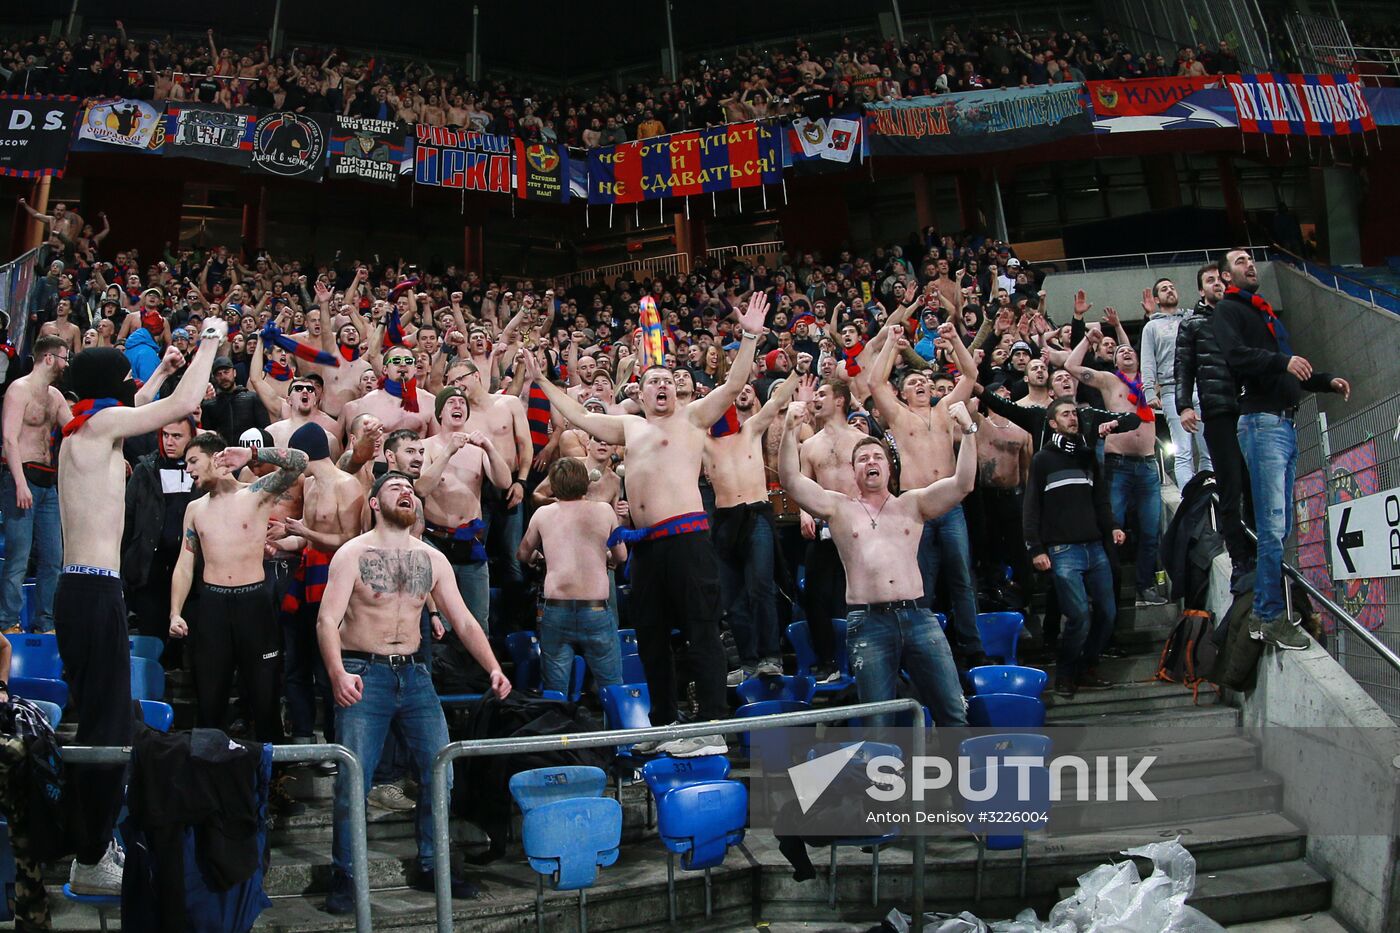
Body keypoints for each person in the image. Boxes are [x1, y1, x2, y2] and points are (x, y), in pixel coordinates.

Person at [520, 292, 770, 756]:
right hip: (646, 547)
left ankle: (713, 725)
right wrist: (542, 382)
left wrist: (750, 337)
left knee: (701, 632)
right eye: (652, 381)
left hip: (689, 539)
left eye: (668, 381)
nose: (661, 387)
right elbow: (579, 415)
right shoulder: (629, 427)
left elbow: (734, 385)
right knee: (652, 637)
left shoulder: (694, 418)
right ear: (638, 390)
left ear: (678, 389)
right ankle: (664, 724)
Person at [56, 320, 226, 894]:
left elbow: (143, 400)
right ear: (108, 385)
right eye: (126, 376)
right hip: (94, 590)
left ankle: (94, 842)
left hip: (79, 591)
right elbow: (179, 404)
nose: (133, 385)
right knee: (107, 728)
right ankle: (91, 855)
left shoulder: (82, 428)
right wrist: (209, 341)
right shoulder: (101, 426)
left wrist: (157, 368)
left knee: (110, 719)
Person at [317, 471, 510, 913]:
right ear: (373, 503)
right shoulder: (352, 554)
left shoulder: (432, 558)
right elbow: (327, 621)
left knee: (439, 771)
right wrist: (336, 674)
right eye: (394, 488)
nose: (405, 492)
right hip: (363, 671)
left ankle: (431, 864)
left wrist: (494, 667)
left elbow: (462, 621)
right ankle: (345, 875)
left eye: (409, 488)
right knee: (355, 779)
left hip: (416, 674)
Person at [778, 398, 976, 727]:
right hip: (868, 623)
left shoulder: (913, 504)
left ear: (888, 467)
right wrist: (788, 431)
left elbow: (963, 484)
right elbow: (792, 482)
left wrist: (968, 431)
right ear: (853, 471)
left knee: (953, 713)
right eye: (863, 458)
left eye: (877, 456)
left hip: (918, 617)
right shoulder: (839, 508)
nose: (871, 461)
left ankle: (956, 779)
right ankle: (883, 779)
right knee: (877, 725)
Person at [1213, 248, 1350, 650]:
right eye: (1239, 261)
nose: (1250, 264)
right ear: (1225, 277)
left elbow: (1291, 371)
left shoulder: (1265, 313)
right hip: (1261, 423)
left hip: (1284, 424)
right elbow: (1237, 357)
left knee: (1282, 528)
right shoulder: (1229, 311)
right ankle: (1268, 615)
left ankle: (1266, 612)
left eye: (1251, 259)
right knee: (1273, 527)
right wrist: (1282, 362)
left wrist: (1325, 381)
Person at [169, 433, 307, 740]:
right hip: (212, 606)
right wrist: (175, 612)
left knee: (265, 697)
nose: (189, 470)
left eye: (193, 461)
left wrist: (252, 455)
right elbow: (185, 563)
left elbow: (300, 461)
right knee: (209, 700)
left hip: (254, 604)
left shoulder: (256, 493)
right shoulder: (195, 509)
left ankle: (272, 781)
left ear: (216, 457)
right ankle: (209, 779)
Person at [869, 323, 990, 665]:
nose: (920, 384)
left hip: (951, 504)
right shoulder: (896, 414)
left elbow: (970, 371)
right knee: (921, 581)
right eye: (913, 383)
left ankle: (972, 645)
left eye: (923, 381)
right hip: (915, 508)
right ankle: (926, 647)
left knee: (963, 578)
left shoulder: (945, 409)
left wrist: (953, 340)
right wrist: (891, 343)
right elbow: (875, 383)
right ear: (903, 393)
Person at [704, 373, 804, 683]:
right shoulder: (704, 441)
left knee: (761, 588)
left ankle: (770, 657)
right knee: (732, 598)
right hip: (724, 519)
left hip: (757, 513)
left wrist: (797, 375)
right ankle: (748, 661)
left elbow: (775, 402)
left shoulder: (749, 430)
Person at [1023, 399, 1125, 698]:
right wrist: (1035, 548)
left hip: (1095, 547)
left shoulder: (1087, 457)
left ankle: (1087, 666)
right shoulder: (1042, 459)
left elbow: (1101, 501)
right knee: (1079, 615)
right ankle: (1066, 673)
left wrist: (1113, 526)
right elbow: (1031, 508)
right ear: (1053, 423)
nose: (1073, 418)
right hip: (1063, 550)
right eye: (1066, 414)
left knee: (1107, 613)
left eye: (1075, 413)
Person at [1064, 327, 1167, 606]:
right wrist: (1087, 339)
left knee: (1149, 530)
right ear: (1114, 360)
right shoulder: (1110, 381)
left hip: (1147, 465)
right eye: (1121, 351)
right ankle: (1109, 589)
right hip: (1117, 464)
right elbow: (1071, 366)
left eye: (1130, 350)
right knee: (1113, 528)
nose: (1126, 352)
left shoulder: (1150, 382)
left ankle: (1145, 587)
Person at [280, 423, 367, 745]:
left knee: (326, 666)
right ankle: (303, 735)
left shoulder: (347, 486)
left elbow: (351, 539)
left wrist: (305, 534)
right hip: (307, 577)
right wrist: (282, 539)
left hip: (334, 579)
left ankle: (336, 741)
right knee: (296, 662)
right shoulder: (311, 485)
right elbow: (306, 537)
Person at [1176, 261, 1255, 589]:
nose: (1217, 285)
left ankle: (1256, 550)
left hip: (1249, 409)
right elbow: (1183, 367)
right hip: (1218, 410)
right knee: (1230, 485)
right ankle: (1239, 558)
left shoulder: (1238, 315)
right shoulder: (1192, 324)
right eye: (1209, 281)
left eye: (1219, 279)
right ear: (1200, 289)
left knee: (1253, 485)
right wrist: (1183, 406)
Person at [517, 457, 627, 694]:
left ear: (554, 486)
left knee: (555, 692)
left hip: (556, 610)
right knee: (613, 688)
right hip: (595, 610)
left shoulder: (543, 514)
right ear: (586, 482)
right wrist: (608, 560)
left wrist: (539, 557)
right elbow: (622, 555)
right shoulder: (604, 511)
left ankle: (557, 729)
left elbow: (523, 553)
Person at [417, 388, 511, 634]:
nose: (458, 405)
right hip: (436, 541)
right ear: (440, 413)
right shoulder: (425, 447)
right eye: (451, 402)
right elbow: (421, 487)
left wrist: (490, 447)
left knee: (478, 621)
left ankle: (479, 672)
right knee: (442, 624)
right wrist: (448, 451)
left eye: (462, 402)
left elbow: (504, 483)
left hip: (471, 543)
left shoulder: (478, 450)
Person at [797, 379, 869, 678]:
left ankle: (864, 658)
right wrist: (803, 513)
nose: (816, 397)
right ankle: (827, 660)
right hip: (824, 528)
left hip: (859, 526)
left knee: (861, 596)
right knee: (816, 597)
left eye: (822, 393)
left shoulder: (860, 441)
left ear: (840, 400)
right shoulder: (810, 445)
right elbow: (803, 483)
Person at [1, 335, 71, 634]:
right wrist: (19, 483)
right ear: (49, 358)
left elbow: (74, 431)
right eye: (65, 357)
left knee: (53, 558)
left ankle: (45, 622)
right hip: (21, 476)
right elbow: (8, 439)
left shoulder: (55, 396)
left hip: (48, 481)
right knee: (18, 556)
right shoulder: (19, 389)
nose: (68, 363)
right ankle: (7, 623)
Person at [121, 414, 199, 645]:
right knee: (152, 640)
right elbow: (128, 521)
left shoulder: (204, 473)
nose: (169, 441)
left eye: (177, 436)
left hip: (192, 570)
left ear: (192, 438)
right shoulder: (144, 470)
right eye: (165, 435)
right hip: (150, 571)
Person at [1140, 278, 1211, 488]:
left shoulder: (1191, 317)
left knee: (1208, 449)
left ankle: (1210, 493)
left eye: (1172, 287)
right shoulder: (1151, 327)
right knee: (1183, 451)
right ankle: (1189, 499)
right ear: (1156, 299)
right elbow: (1147, 362)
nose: (1170, 291)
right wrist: (1150, 393)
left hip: (1201, 385)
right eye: (1164, 289)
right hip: (1171, 389)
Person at [339, 345, 437, 452]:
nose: (403, 364)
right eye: (396, 360)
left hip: (417, 465)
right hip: (379, 466)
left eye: (408, 361)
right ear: (385, 369)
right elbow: (356, 447)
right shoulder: (368, 402)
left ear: (414, 368)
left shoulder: (430, 401)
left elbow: (437, 444)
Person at [267, 374, 343, 461]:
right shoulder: (272, 433)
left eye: (310, 390)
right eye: (298, 388)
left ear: (314, 401)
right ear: (289, 400)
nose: (305, 391)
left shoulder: (329, 439)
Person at [202, 355, 269, 441]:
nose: (223, 377)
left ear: (234, 373)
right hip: (222, 452)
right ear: (214, 378)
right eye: (219, 374)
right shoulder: (209, 406)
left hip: (249, 450)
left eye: (226, 372)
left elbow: (264, 431)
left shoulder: (252, 398)